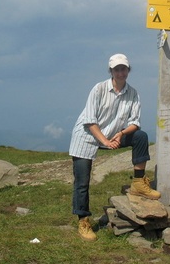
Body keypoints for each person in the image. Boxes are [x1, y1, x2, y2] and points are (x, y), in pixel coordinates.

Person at [69, 53, 160, 241]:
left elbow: (135, 122)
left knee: (140, 137)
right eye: (117, 69)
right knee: (82, 180)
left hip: (114, 135)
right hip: (87, 136)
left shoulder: (133, 93)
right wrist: (105, 141)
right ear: (111, 71)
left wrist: (121, 134)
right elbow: (89, 121)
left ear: (128, 70)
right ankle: (83, 220)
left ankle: (138, 182)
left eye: (124, 69)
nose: (121, 73)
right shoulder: (99, 89)